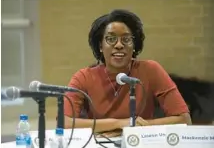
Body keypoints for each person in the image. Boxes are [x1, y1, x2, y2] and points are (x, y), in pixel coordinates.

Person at [63, 9, 192, 137]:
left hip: (142, 142)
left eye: (126, 39)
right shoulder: (83, 77)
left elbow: (183, 119)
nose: (119, 45)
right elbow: (64, 123)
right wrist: (119, 123)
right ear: (100, 46)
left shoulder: (151, 70)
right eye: (111, 39)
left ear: (134, 45)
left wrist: (131, 129)